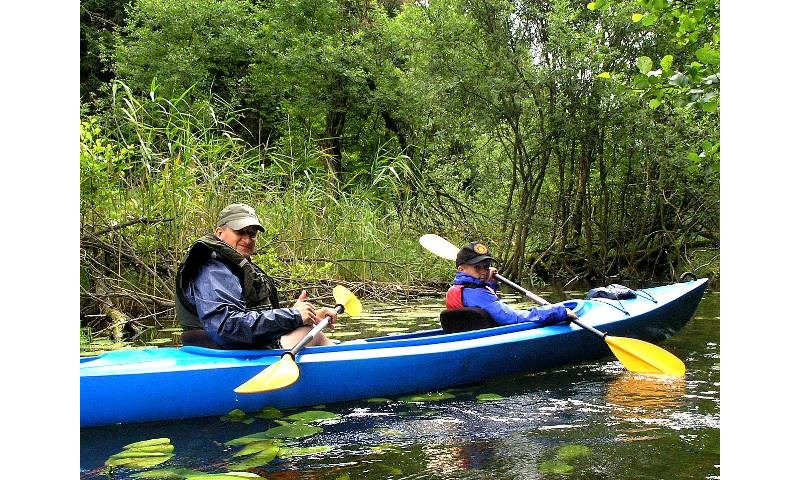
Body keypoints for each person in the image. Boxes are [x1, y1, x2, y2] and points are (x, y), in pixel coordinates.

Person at [175, 203, 338, 349]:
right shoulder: (213, 269)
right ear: (219, 233)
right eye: (240, 232)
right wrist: (293, 316)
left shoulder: (232, 266)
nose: (247, 239)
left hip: (237, 347)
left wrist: (302, 316)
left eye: (252, 234)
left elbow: (251, 317)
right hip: (221, 352)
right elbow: (226, 327)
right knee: (310, 332)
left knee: (308, 328)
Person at [445, 242, 577, 327]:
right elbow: (513, 319)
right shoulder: (479, 293)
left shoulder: (461, 290)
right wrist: (557, 312)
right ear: (461, 269)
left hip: (470, 337)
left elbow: (482, 304)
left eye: (486, 266)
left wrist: (489, 281)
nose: (483, 271)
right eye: (477, 267)